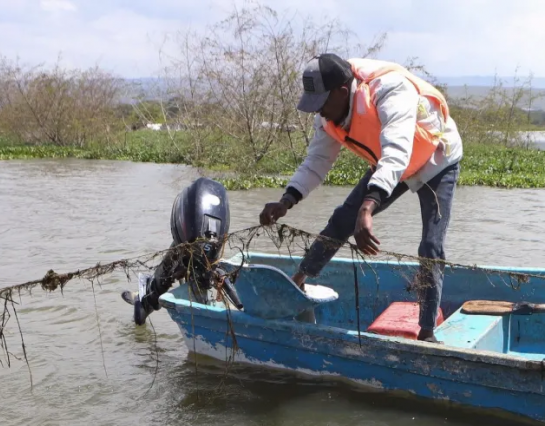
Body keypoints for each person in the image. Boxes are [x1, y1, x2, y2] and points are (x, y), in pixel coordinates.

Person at [259, 54, 463, 343]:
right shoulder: (329, 115)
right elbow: (317, 161)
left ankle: (427, 333)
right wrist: (286, 200)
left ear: (342, 92)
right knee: (343, 219)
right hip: (393, 164)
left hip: (435, 158)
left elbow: (397, 152)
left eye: (322, 104)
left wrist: (368, 206)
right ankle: (298, 282)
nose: (321, 114)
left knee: (431, 244)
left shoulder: (390, 91)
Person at [123, 177, 234, 325]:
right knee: (188, 260)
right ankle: (146, 298)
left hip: (198, 250)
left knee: (195, 264)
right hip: (193, 249)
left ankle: (146, 298)